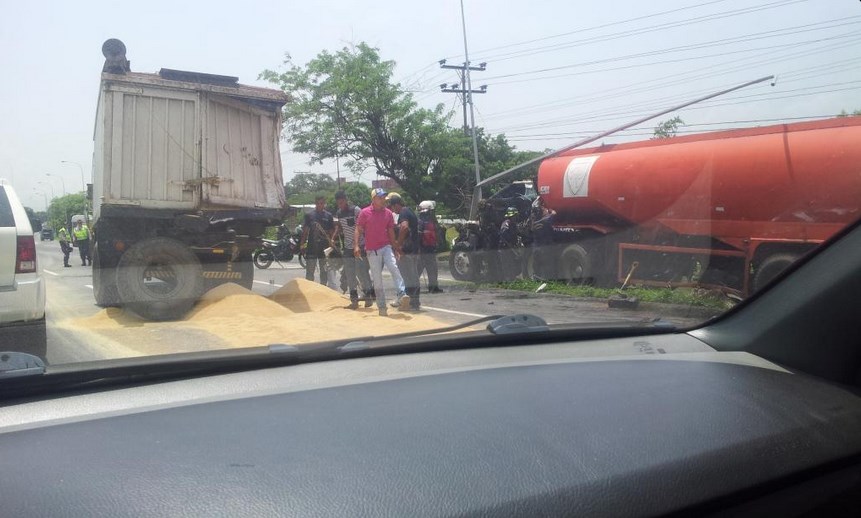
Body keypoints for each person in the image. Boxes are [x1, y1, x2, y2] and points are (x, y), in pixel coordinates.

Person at [355, 188, 406, 316]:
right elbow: (359, 229)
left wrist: (395, 248)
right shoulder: (364, 213)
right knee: (377, 279)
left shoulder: (388, 213)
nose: (384, 200)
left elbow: (390, 232)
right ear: (374, 199)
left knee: (394, 267)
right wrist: (355, 245)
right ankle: (382, 306)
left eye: (384, 198)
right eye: (381, 198)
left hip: (386, 247)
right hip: (372, 250)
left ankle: (402, 293)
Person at [334, 191, 375, 310]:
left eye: (342, 202)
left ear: (346, 200)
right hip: (347, 247)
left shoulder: (356, 210)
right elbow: (341, 227)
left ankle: (368, 296)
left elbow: (365, 225)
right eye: (338, 203)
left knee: (361, 272)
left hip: (360, 246)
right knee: (349, 274)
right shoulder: (339, 213)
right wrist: (334, 238)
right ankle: (354, 300)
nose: (340, 204)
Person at [386, 192, 421, 312]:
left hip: (407, 250)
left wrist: (397, 244)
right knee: (413, 276)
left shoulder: (403, 213)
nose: (392, 209)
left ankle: (411, 302)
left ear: (396, 205)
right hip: (414, 250)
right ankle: (414, 302)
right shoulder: (409, 211)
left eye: (392, 206)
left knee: (408, 276)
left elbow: (404, 227)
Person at [299, 194, 335, 286]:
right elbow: (305, 232)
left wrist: (333, 243)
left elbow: (332, 232)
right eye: (318, 203)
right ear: (315, 204)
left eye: (322, 203)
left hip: (324, 248)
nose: (320, 205)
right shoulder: (309, 215)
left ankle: (323, 289)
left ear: (324, 204)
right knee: (310, 272)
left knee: (324, 272)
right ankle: (309, 290)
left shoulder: (329, 216)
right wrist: (302, 245)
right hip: (312, 247)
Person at [417, 201, 443, 293]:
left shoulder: (425, 221)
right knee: (421, 269)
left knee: (431, 268)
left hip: (429, 248)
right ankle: (413, 287)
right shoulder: (422, 222)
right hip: (424, 249)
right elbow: (419, 235)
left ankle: (433, 287)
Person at [531, 197, 556, 280]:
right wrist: (550, 209)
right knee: (547, 266)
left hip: (536, 248)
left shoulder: (533, 223)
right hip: (544, 248)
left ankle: (537, 279)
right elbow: (554, 214)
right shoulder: (545, 221)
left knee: (537, 268)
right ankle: (546, 280)